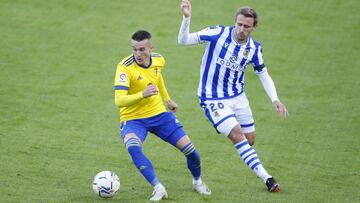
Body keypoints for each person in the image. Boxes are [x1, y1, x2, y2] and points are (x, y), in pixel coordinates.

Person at [178, 0, 288, 192]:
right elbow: (183, 40)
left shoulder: (254, 49)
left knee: (249, 140)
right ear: (234, 22)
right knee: (237, 136)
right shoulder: (217, 33)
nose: (241, 29)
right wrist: (187, 18)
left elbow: (263, 73)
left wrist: (275, 99)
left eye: (246, 26)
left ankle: (223, 124)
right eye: (239, 24)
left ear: (254, 27)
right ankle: (268, 179)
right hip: (212, 98)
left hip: (238, 98)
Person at [114, 30, 211, 201]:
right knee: (133, 148)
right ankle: (158, 187)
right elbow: (119, 100)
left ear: (151, 48)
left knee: (191, 152)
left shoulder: (159, 60)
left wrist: (168, 99)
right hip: (133, 119)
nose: (138, 54)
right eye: (134, 49)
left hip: (159, 114)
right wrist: (142, 94)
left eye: (142, 49)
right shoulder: (124, 67)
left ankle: (197, 182)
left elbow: (158, 78)